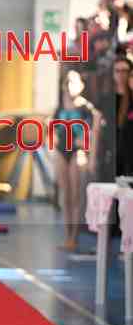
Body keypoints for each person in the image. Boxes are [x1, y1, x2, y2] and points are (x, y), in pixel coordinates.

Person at [52, 70, 100, 252]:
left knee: (75, 195)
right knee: (65, 195)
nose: (69, 87)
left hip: (77, 151)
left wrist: (89, 154)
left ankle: (74, 237)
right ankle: (67, 236)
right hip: (61, 151)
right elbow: (54, 128)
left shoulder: (85, 108)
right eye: (66, 83)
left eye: (73, 83)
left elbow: (92, 132)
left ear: (81, 86)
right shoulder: (59, 107)